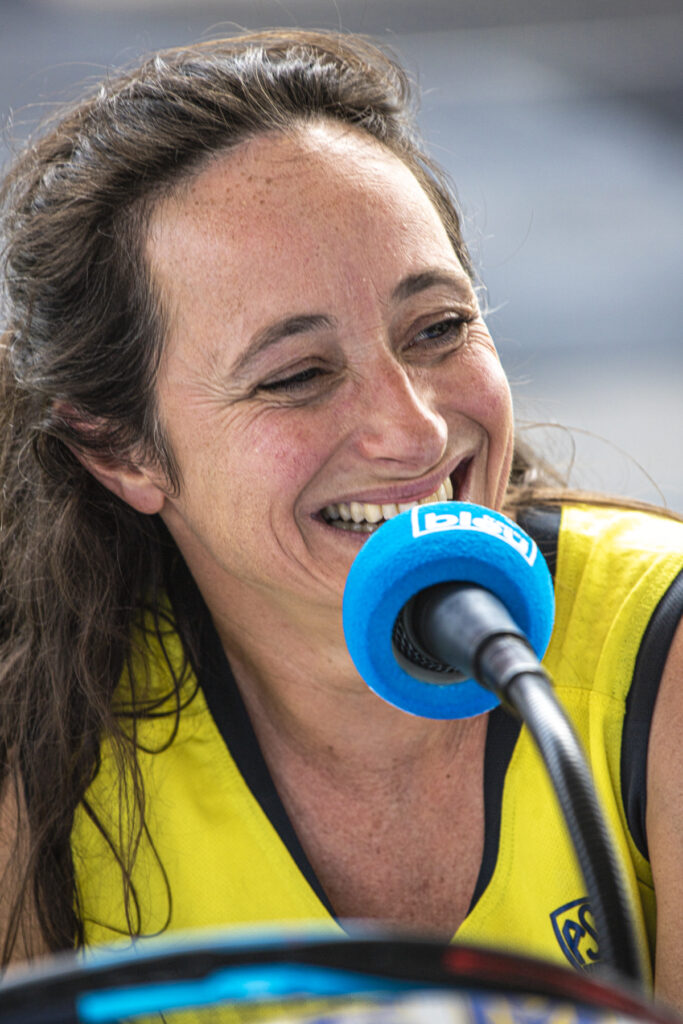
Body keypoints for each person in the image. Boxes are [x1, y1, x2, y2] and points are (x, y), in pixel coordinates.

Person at [0, 29, 681, 1011]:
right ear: (121, 452)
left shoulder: (660, 658)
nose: (415, 430)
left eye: (438, 327)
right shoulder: (40, 739)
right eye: (297, 376)